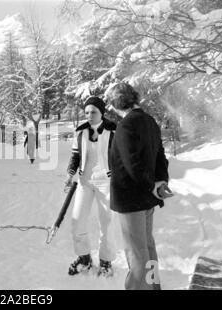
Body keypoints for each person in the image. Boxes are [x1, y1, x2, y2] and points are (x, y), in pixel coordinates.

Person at [105, 82, 172, 290]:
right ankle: (154, 287)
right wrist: (160, 182)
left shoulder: (126, 126)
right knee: (148, 248)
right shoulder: (150, 121)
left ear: (117, 103)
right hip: (147, 198)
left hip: (131, 199)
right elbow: (161, 156)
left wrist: (152, 184)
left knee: (136, 254)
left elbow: (132, 165)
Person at [64, 96, 117, 277]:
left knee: (107, 224)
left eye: (93, 111)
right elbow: (75, 156)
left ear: (102, 112)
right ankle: (84, 258)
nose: (89, 115)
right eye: (86, 112)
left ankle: (105, 261)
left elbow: (121, 157)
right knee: (77, 221)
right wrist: (69, 174)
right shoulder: (80, 132)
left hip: (106, 182)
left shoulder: (114, 130)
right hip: (85, 181)